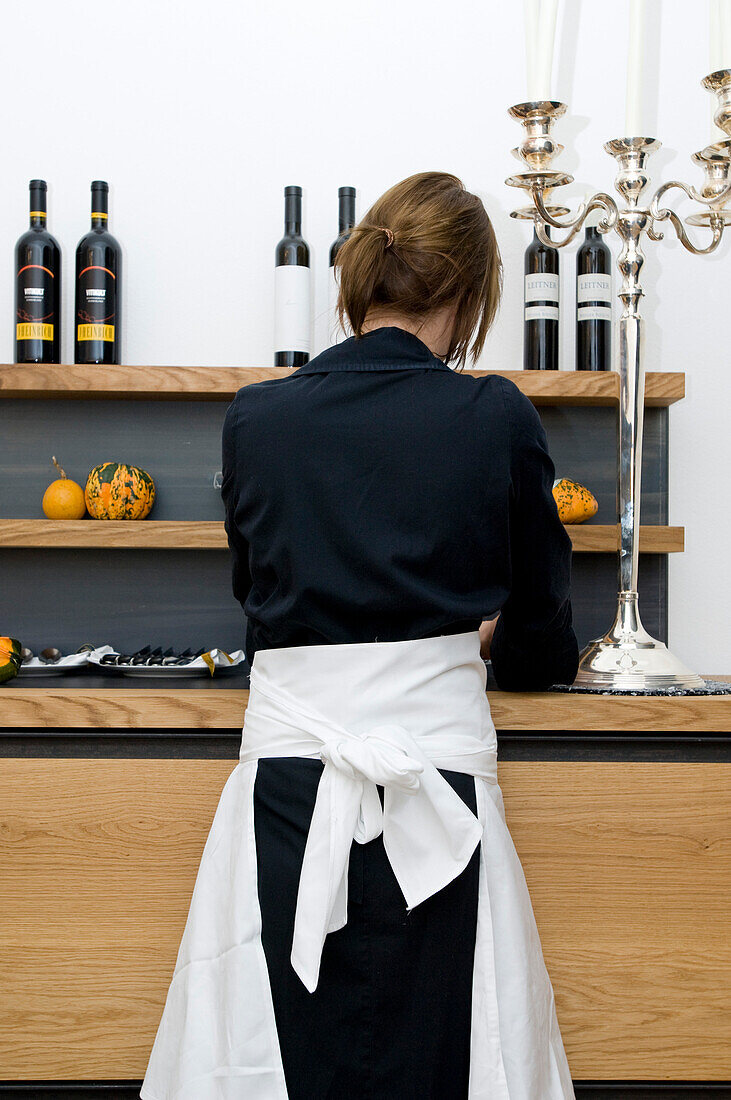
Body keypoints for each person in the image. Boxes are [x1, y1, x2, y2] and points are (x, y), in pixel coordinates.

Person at [140, 171, 579, 1100]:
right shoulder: (493, 415)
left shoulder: (256, 417)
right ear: (470, 292)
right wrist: (485, 637)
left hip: (283, 806)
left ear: (360, 278)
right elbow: (544, 642)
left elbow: (260, 606)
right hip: (446, 804)